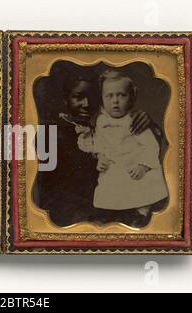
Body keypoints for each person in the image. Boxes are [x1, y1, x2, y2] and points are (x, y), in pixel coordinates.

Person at [33, 73, 153, 227]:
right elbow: (50, 194)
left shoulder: (105, 127)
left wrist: (146, 122)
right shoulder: (51, 134)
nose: (87, 103)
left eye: (93, 97)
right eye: (78, 97)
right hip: (75, 220)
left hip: (112, 211)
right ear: (66, 99)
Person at [76, 70, 168, 227]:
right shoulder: (100, 121)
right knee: (110, 189)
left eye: (121, 95)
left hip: (133, 166)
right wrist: (101, 158)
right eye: (109, 96)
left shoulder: (134, 121)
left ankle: (141, 212)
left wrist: (143, 165)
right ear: (102, 99)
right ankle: (108, 213)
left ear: (131, 98)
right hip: (114, 167)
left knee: (140, 189)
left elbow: (151, 145)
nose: (115, 101)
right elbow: (99, 144)